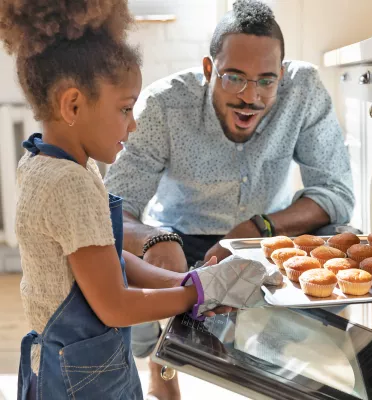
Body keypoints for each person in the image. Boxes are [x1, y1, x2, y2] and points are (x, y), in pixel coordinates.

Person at [0, 1, 271, 399]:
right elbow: (113, 304)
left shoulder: (53, 163)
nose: (134, 122)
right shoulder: (69, 184)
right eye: (125, 108)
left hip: (84, 361)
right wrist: (198, 295)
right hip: (82, 380)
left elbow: (103, 255)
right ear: (72, 104)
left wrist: (186, 281)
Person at [104, 0, 355, 397]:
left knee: (342, 236)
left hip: (263, 239)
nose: (250, 97)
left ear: (283, 75)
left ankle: (270, 350)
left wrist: (259, 227)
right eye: (235, 78)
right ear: (209, 70)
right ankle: (159, 356)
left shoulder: (302, 89)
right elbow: (114, 207)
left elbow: (336, 192)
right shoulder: (163, 105)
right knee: (114, 256)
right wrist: (155, 239)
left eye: (266, 81)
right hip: (179, 240)